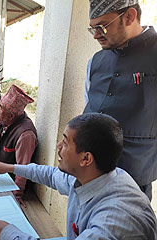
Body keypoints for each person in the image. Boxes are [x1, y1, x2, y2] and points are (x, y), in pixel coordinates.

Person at [0, 113, 157, 240]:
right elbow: (51, 175)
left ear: (86, 158)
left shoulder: (112, 220)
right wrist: (10, 167)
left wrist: (5, 231)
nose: (59, 145)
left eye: (66, 141)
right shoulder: (97, 176)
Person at [84, 0, 157, 200]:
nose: (97, 35)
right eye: (93, 29)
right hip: (89, 174)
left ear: (129, 17)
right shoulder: (96, 61)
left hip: (132, 181)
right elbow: (89, 106)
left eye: (102, 26)